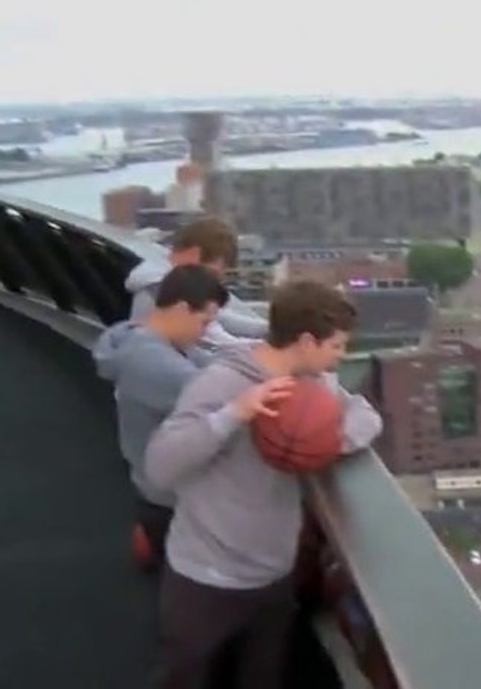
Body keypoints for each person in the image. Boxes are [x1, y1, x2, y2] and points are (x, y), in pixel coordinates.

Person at [145, 280, 382, 689]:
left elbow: (366, 416)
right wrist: (234, 415)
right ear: (307, 341)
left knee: (263, 680)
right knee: (184, 679)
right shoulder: (222, 382)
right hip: (205, 575)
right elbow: (160, 466)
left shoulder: (315, 388)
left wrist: (325, 441)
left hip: (272, 574)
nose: (340, 357)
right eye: (337, 346)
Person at [92, 264, 230, 569]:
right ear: (182, 309)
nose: (205, 332)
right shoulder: (153, 361)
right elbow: (217, 395)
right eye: (204, 322)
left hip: (153, 485)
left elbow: (215, 367)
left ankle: (151, 538)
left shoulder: (149, 340)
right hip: (173, 498)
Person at [126, 216, 266, 349]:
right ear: (194, 253)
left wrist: (270, 329)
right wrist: (271, 346)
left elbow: (220, 317)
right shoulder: (162, 287)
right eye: (212, 273)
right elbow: (216, 341)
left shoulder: (162, 274)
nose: (213, 282)